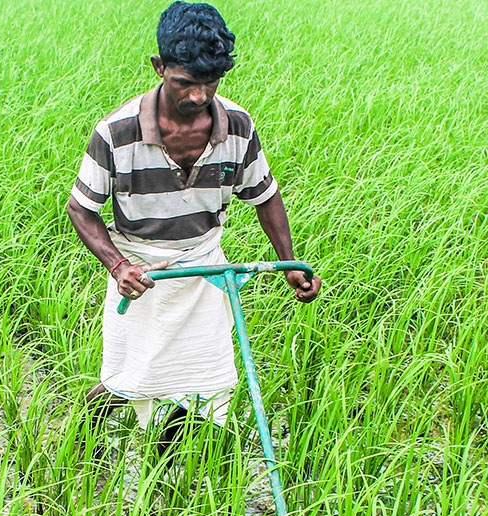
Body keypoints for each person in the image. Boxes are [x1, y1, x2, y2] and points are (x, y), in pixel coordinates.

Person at [67, 1, 321, 452]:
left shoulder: (238, 126)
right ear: (159, 67)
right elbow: (81, 209)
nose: (199, 96)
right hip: (142, 275)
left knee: (205, 381)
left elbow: (264, 195)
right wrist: (118, 264)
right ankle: (84, 427)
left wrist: (289, 263)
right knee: (135, 375)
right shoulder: (115, 132)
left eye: (210, 83)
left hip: (203, 269)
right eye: (185, 82)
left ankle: (178, 471)